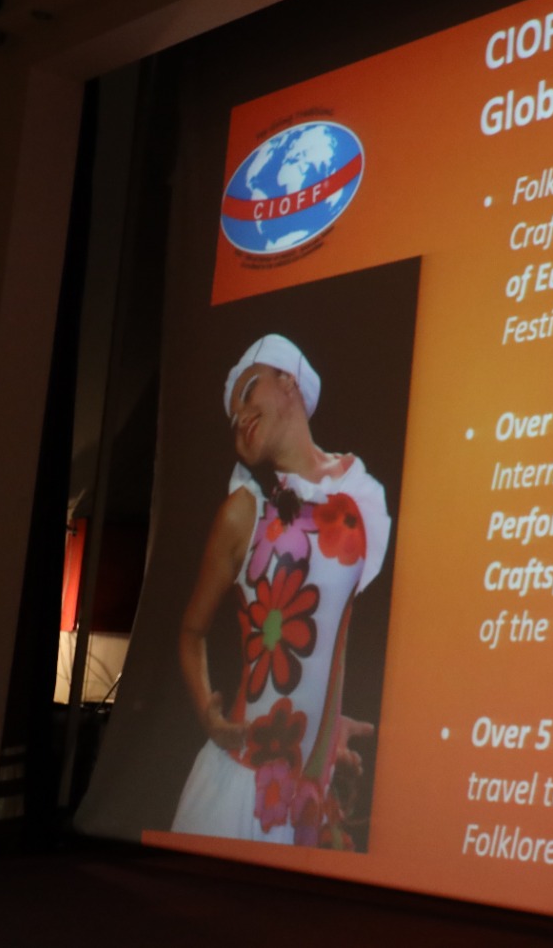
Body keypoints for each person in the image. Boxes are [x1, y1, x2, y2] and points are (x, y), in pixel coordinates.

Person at [171, 334, 390, 848]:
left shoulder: (361, 497)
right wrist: (208, 715)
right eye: (232, 417)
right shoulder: (244, 512)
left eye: (249, 391)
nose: (240, 417)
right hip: (240, 788)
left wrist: (328, 726)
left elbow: (334, 638)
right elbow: (190, 632)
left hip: (309, 800)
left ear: (288, 381)